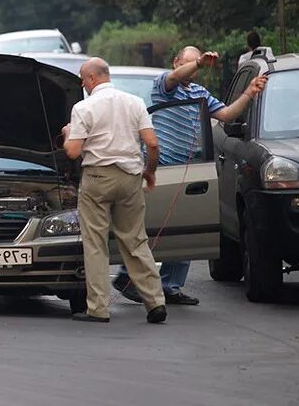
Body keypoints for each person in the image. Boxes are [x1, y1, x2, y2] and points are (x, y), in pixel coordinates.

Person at [114, 46, 268, 305]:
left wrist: (249, 93)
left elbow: (227, 114)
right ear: (176, 62)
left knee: (183, 225)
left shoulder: (199, 92)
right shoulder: (164, 85)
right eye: (187, 64)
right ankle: (126, 276)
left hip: (188, 168)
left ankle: (170, 286)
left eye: (196, 66)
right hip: (160, 166)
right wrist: (198, 62)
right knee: (149, 225)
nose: (193, 70)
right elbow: (175, 78)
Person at [62, 57, 167, 323]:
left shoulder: (83, 107)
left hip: (97, 178)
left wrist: (67, 134)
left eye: (83, 79)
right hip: (130, 177)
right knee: (135, 239)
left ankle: (98, 308)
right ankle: (155, 303)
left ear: (92, 79)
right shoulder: (135, 103)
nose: (83, 84)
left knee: (96, 244)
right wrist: (150, 171)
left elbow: (73, 152)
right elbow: (152, 144)